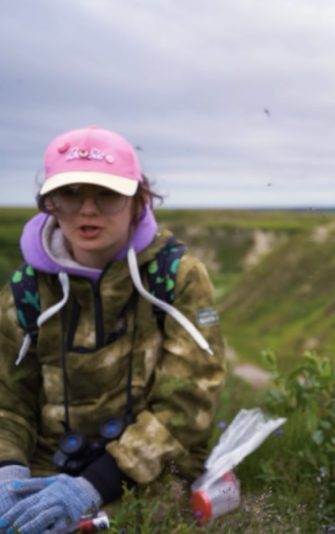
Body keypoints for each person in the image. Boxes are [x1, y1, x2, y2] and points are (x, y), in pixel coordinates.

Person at [0, 127, 226, 532]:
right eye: (71, 194)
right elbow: (8, 402)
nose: (88, 210)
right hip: (47, 466)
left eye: (106, 194)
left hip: (154, 469)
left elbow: (188, 406)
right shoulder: (27, 290)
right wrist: (7, 475)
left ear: (137, 201)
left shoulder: (176, 278)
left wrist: (90, 487)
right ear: (49, 203)